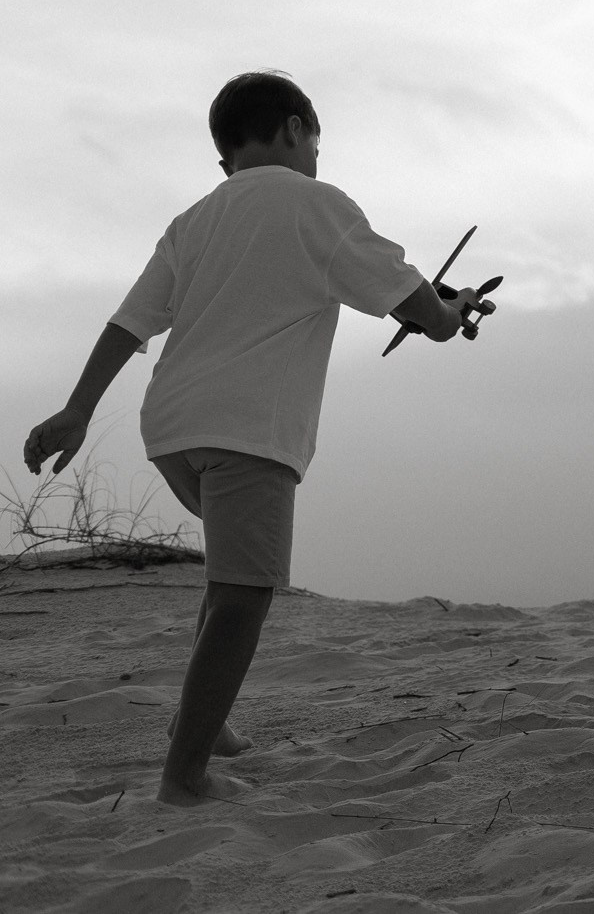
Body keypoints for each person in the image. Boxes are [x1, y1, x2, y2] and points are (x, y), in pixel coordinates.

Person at [20, 72, 492, 805]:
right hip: (250, 429)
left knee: (227, 579)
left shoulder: (194, 218)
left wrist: (78, 409)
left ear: (224, 159)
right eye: (315, 143)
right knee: (245, 595)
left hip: (174, 429)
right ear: (298, 128)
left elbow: (129, 321)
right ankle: (184, 774)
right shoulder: (318, 204)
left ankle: (206, 718)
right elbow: (419, 309)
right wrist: (452, 307)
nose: (315, 159)